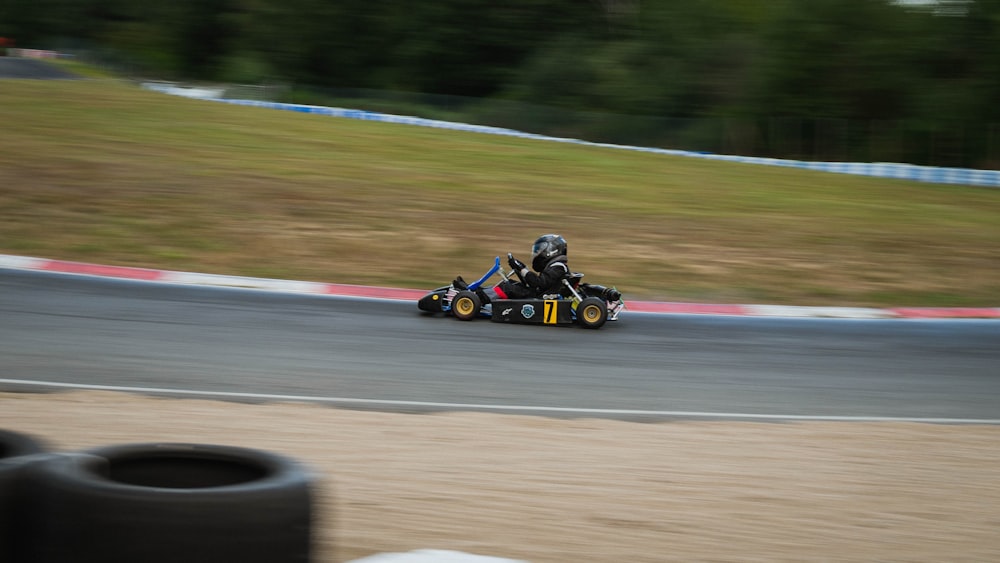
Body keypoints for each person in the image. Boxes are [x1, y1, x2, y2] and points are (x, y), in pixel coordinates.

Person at [454, 233, 571, 304]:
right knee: (509, 283)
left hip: (541, 299)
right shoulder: (557, 266)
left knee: (507, 287)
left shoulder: (558, 267)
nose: (537, 253)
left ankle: (475, 298)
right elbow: (534, 283)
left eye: (539, 250)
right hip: (539, 294)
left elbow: (539, 283)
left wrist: (523, 269)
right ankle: (475, 292)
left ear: (551, 250)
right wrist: (519, 268)